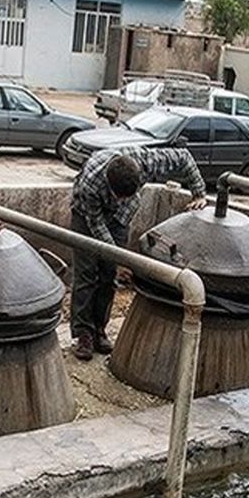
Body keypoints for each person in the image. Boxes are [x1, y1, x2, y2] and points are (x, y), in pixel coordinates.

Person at [69, 148, 207, 360]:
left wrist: (198, 193)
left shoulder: (147, 162)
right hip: (88, 217)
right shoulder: (91, 183)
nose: (123, 200)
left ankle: (99, 329)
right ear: (109, 184)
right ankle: (83, 334)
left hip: (119, 220)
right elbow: (96, 225)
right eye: (119, 197)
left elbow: (184, 157)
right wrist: (119, 256)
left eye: (128, 196)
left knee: (109, 275)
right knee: (87, 274)